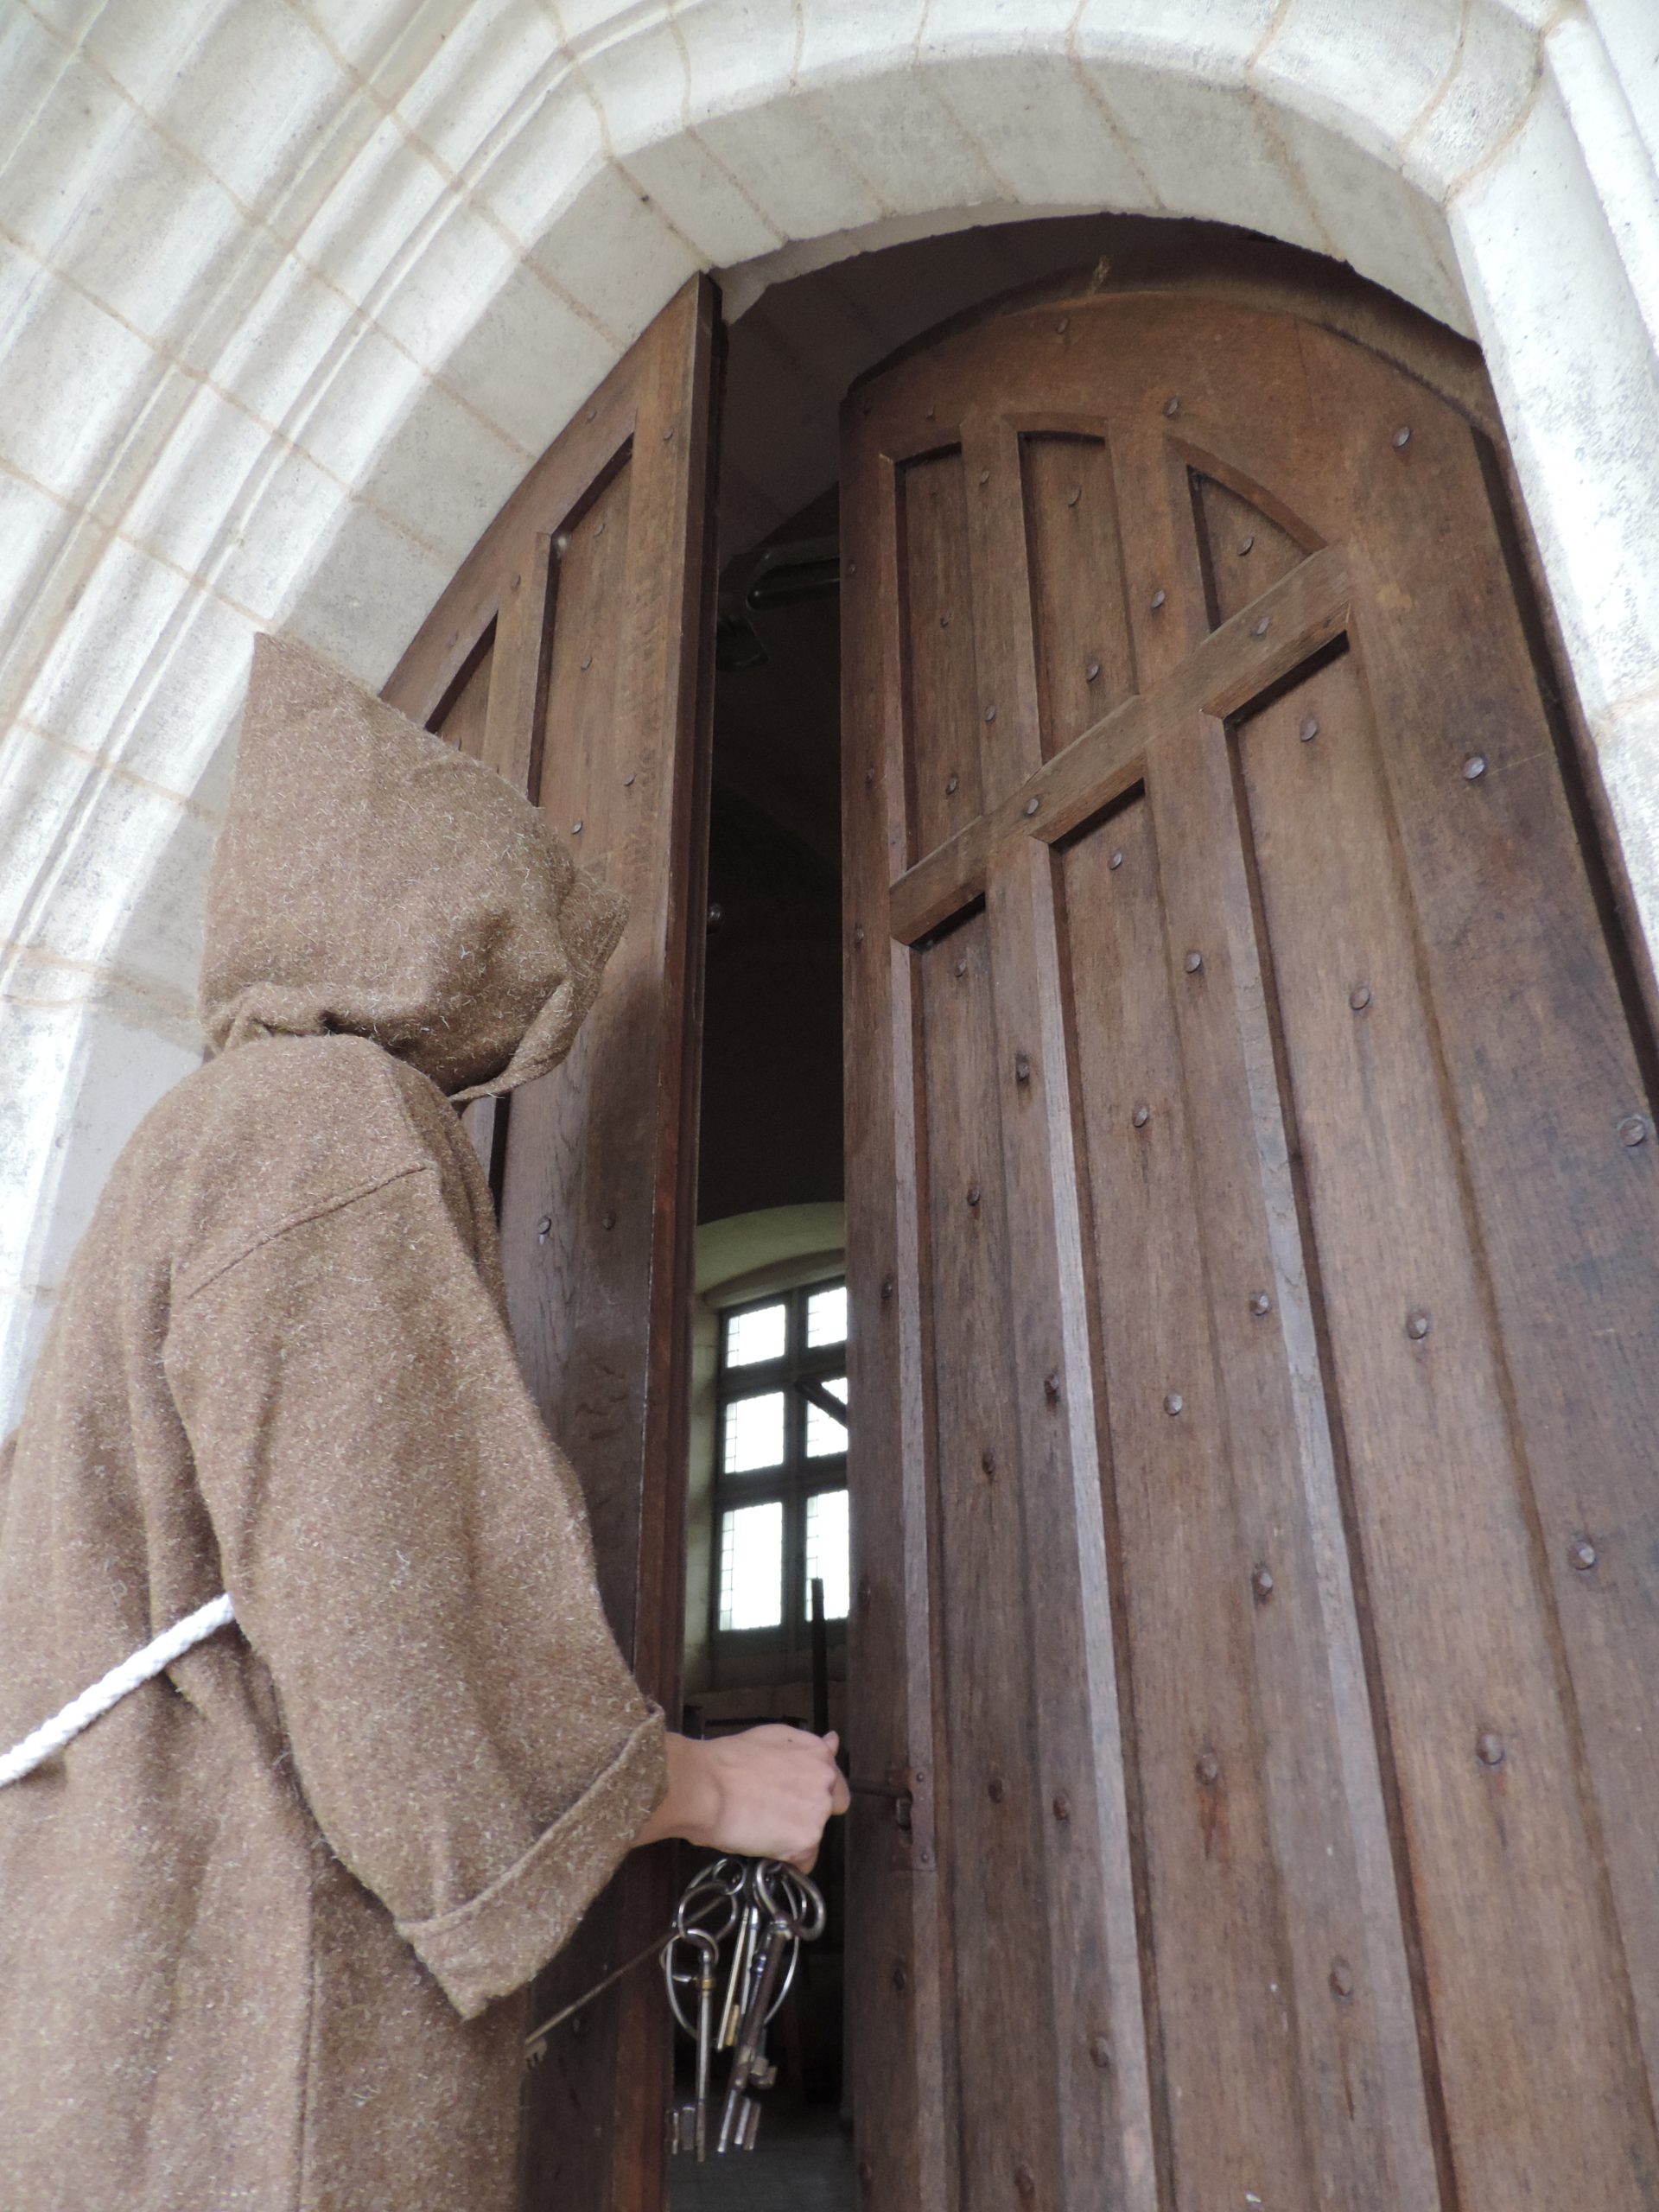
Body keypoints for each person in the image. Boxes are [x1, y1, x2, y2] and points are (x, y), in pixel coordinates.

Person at [0, 632, 847, 2212]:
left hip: (115, 2018)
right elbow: (392, 1626)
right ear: (436, 913)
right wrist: (717, 1791)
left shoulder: (177, 1152)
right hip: (257, 2040)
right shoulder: (328, 1127)